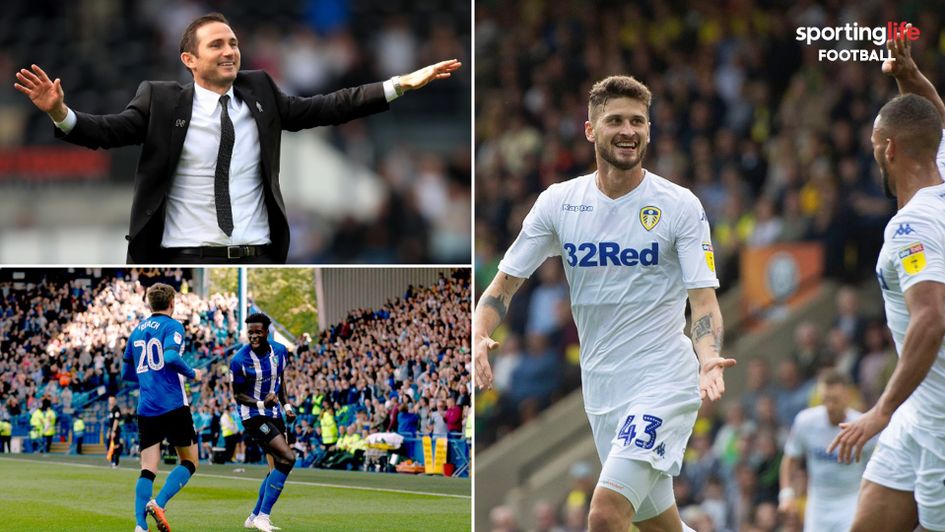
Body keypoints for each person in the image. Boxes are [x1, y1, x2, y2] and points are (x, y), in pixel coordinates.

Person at [474, 75, 734, 532]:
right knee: (661, 526)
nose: (628, 130)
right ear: (591, 130)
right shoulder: (559, 203)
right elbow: (502, 288)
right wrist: (478, 333)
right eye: (615, 120)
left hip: (664, 381)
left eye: (638, 121)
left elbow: (704, 302)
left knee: (605, 514)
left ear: (649, 130)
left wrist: (708, 357)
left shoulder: (679, 206)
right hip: (601, 393)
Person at [14, 12, 461, 264]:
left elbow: (328, 106)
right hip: (183, 259)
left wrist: (398, 84)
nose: (229, 51)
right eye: (216, 45)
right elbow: (105, 133)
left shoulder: (261, 91)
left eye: (233, 43)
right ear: (189, 59)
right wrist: (60, 112)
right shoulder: (162, 101)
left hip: (258, 257)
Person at [829, 25, 945, 532]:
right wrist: (910, 76)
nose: (873, 153)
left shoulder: (912, 225)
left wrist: (879, 411)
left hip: (940, 420)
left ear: (890, 150)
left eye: (876, 145)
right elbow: (930, 122)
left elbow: (931, 319)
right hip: (916, 417)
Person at [121, 283, 205, 532]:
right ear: (172, 303)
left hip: (146, 407)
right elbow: (169, 357)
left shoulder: (136, 331)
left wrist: (148, 379)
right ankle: (159, 502)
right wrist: (193, 373)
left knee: (148, 468)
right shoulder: (173, 325)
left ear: (150, 304)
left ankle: (139, 526)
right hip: (173, 404)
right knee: (190, 462)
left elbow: (126, 373)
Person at [779, 369, 871, 531]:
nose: (830, 406)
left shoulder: (863, 426)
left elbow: (875, 469)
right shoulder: (806, 422)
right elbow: (790, 459)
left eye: (835, 400)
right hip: (818, 503)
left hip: (851, 501)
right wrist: (786, 494)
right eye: (825, 400)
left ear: (847, 396)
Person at [229, 312, 296, 532]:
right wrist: (261, 404)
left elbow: (280, 380)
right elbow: (238, 395)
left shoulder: (280, 351)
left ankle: (254, 516)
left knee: (276, 467)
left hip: (276, 414)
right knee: (287, 457)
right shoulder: (239, 360)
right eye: (250, 332)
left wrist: (286, 406)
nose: (254, 336)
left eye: (258, 332)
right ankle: (263, 517)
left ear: (267, 332)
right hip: (254, 417)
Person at [106, 396, 124, 468]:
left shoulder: (116, 409)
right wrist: (108, 431)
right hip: (111, 430)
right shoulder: (111, 409)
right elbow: (110, 423)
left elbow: (116, 420)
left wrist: (113, 431)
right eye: (110, 400)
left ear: (115, 401)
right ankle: (111, 461)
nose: (111, 401)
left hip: (115, 430)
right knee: (110, 445)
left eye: (112, 400)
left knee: (115, 446)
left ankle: (115, 462)